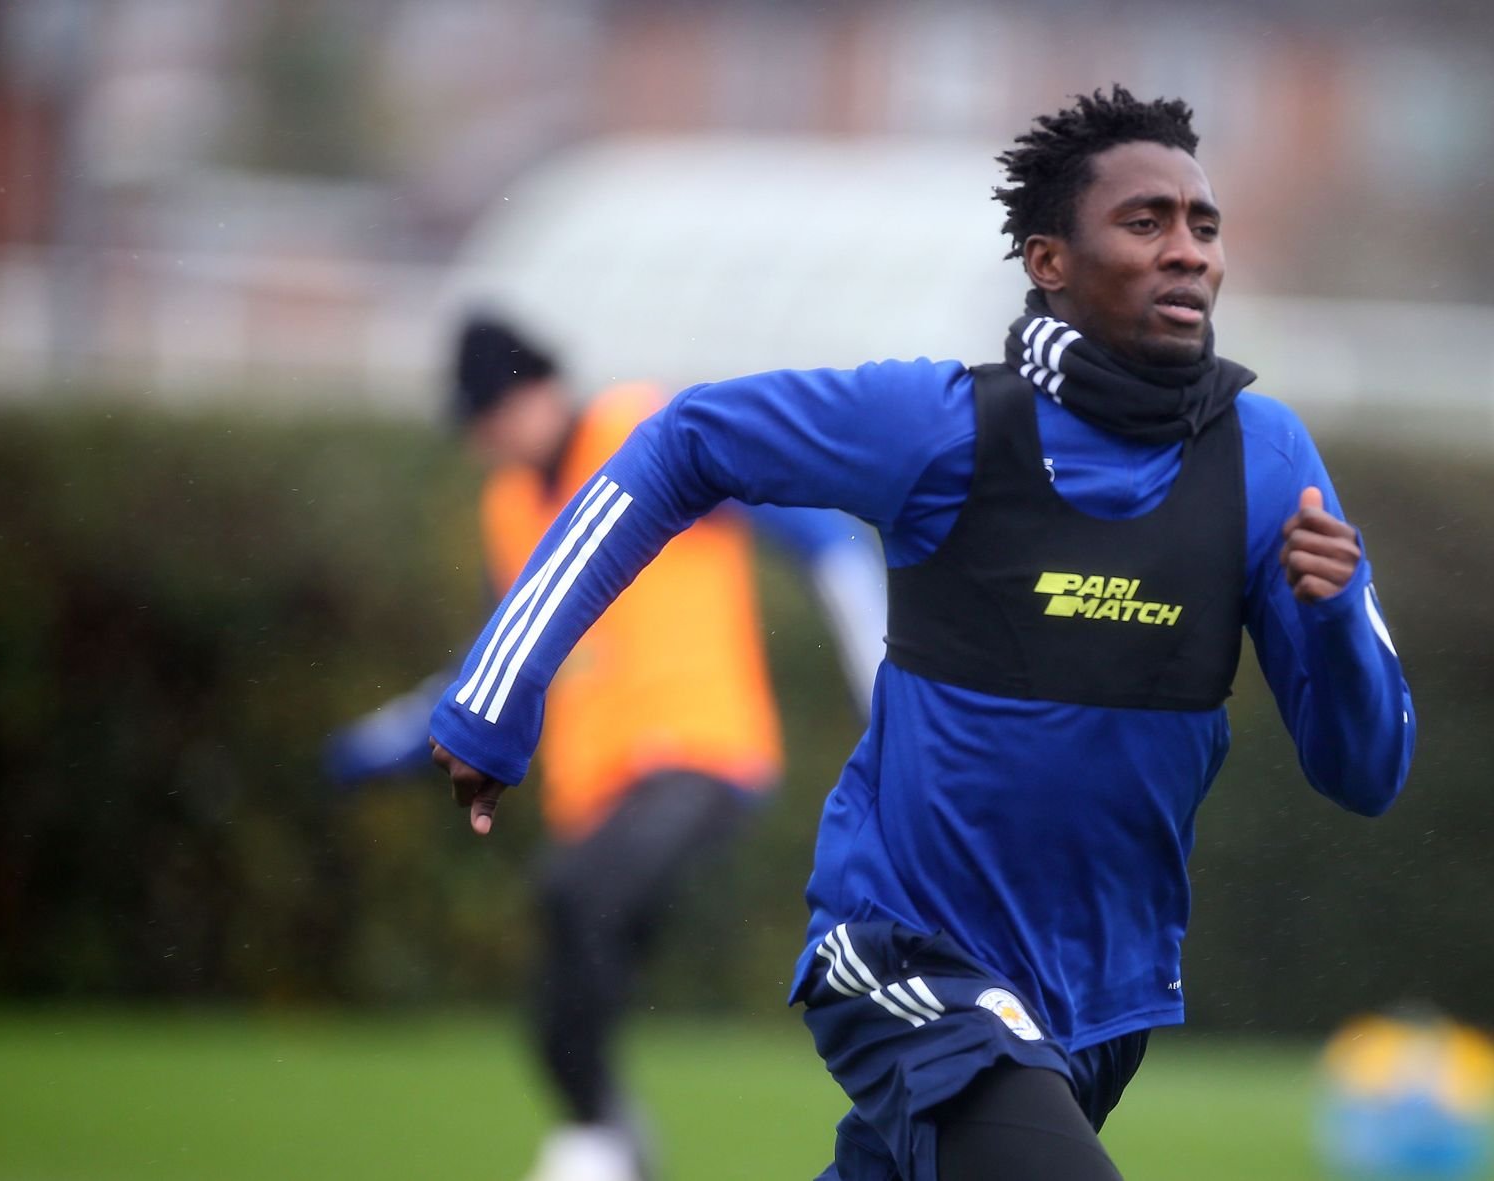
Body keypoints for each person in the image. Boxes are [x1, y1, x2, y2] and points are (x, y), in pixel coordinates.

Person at [428, 87, 1415, 1180]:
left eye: (1204, 225)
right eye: (1146, 222)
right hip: (908, 952)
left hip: (1102, 999)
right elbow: (684, 441)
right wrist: (499, 690)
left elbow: (1365, 771)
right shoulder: (942, 428)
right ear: (1049, 260)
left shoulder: (1267, 461)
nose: (1188, 250)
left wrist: (1333, 619)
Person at [329, 314, 886, 1181]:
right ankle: (611, 1135)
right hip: (595, 794)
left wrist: (886, 687)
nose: (484, 442)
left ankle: (600, 1142)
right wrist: (390, 741)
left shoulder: (646, 434)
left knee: (574, 892)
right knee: (557, 988)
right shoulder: (508, 507)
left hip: (700, 756)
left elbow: (825, 540)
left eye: (492, 415)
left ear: (539, 392)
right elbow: (499, 653)